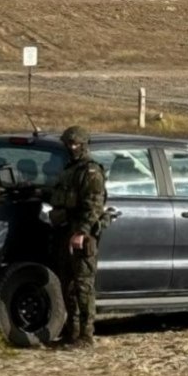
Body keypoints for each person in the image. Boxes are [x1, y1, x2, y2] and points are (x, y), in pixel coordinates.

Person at [48, 125, 107, 347]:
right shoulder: (69, 170)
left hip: (82, 234)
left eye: (76, 144)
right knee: (69, 286)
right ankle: (72, 333)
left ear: (84, 145)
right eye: (69, 144)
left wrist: (81, 232)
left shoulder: (90, 171)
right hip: (66, 230)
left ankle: (86, 335)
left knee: (83, 286)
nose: (72, 148)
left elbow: (94, 206)